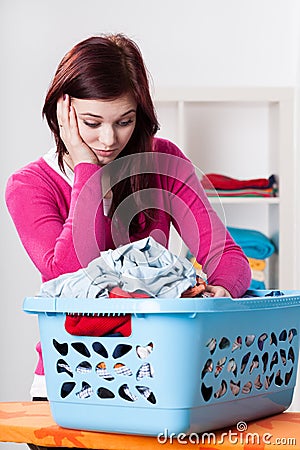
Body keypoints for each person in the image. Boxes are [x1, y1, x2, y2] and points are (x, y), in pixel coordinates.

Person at [5, 33, 251, 449]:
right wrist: (87, 173)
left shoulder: (162, 162)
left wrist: (218, 291)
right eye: (91, 123)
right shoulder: (30, 186)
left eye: (124, 121)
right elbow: (69, 278)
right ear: (63, 114)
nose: (108, 140)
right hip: (70, 385)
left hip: (158, 382)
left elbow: (227, 256)